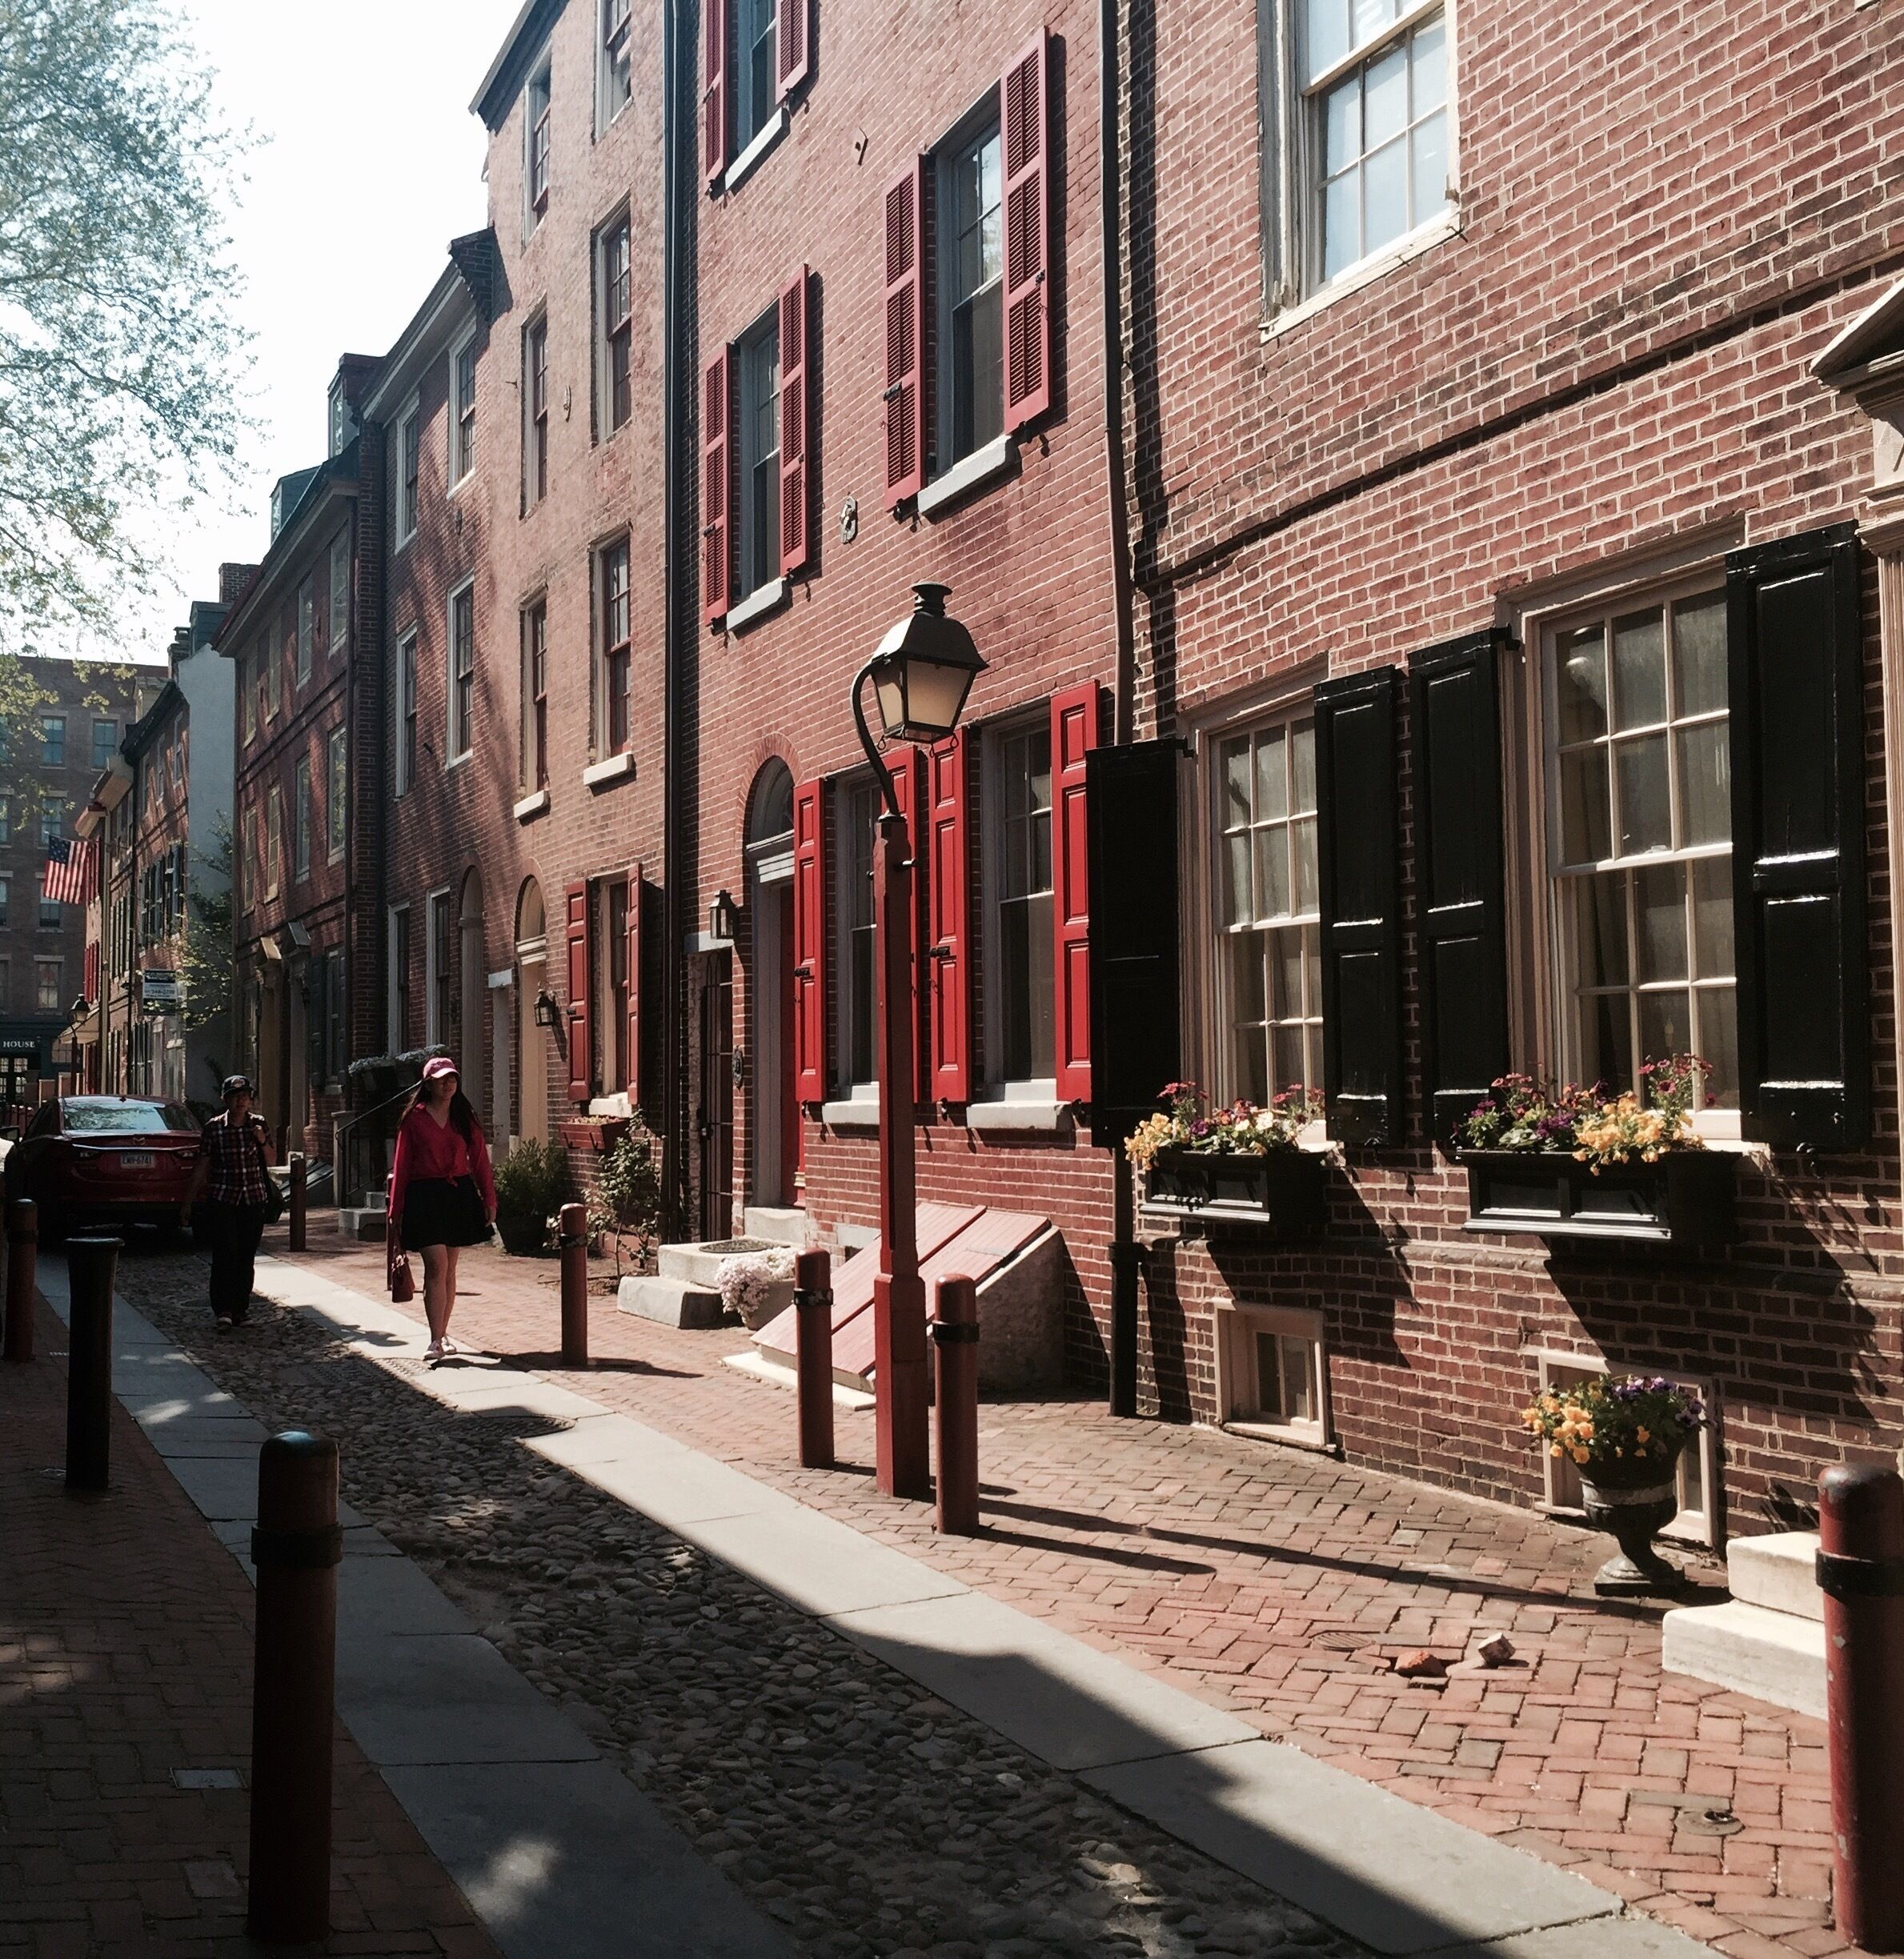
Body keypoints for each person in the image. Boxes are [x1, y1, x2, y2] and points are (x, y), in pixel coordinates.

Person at [388, 1056, 496, 1367]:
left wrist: (489, 1199)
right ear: (428, 1083)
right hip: (424, 1195)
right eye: (440, 1079)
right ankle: (435, 1339)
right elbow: (402, 1166)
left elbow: (479, 1161)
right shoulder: (414, 1119)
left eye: (452, 1078)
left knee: (449, 1268)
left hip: (457, 1194)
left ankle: (444, 1332)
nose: (447, 1084)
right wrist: (396, 1210)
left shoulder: (464, 1117)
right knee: (435, 1265)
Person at [185, 1075, 276, 1332]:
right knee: (225, 1254)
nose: (241, 1102)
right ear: (226, 1100)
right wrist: (188, 1202)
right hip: (223, 1199)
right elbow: (202, 1165)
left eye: (245, 1097)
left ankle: (241, 1309)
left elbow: (271, 1159)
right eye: (236, 1097)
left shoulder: (258, 1124)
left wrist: (261, 1140)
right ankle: (223, 1309)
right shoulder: (214, 1128)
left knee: (246, 1257)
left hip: (253, 1199)